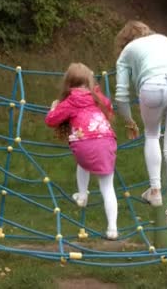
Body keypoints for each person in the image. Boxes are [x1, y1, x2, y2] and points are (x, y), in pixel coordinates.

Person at [114, 20, 167, 227]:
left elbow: (121, 95)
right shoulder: (163, 39)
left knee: (151, 135)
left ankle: (155, 191)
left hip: (152, 86)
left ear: (124, 40)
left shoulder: (126, 52)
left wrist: (129, 121)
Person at [44, 62, 119, 240]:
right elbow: (108, 105)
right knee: (107, 186)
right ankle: (113, 229)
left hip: (84, 144)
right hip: (106, 141)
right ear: (90, 81)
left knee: (82, 163)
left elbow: (51, 120)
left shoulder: (70, 101)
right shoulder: (97, 97)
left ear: (68, 84)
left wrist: (54, 107)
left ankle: (83, 195)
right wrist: (96, 88)